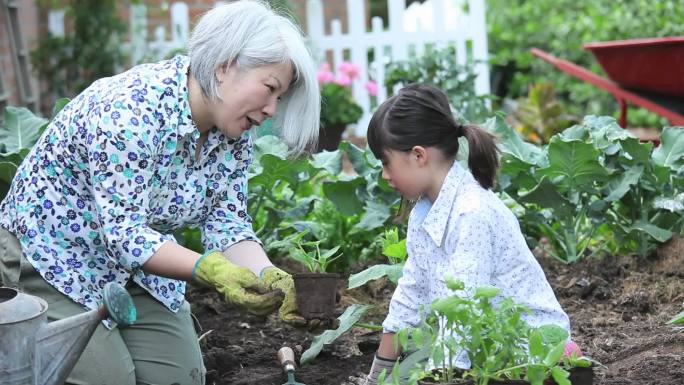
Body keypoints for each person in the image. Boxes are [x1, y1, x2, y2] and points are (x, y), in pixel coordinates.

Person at [0, 1, 319, 384]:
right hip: (54, 258)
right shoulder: (129, 111)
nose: (271, 109)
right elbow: (125, 234)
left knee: (179, 376)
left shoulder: (233, 134)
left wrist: (267, 274)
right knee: (110, 378)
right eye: (270, 89)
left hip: (131, 268)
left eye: (280, 98)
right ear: (224, 67)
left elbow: (227, 221)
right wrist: (210, 270)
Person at [361, 84, 580, 384]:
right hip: (486, 350)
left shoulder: (471, 212)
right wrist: (379, 373)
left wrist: (442, 375)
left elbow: (466, 306)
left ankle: (567, 359)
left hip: (530, 350)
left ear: (418, 155)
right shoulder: (424, 213)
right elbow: (411, 291)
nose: (385, 174)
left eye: (386, 162)